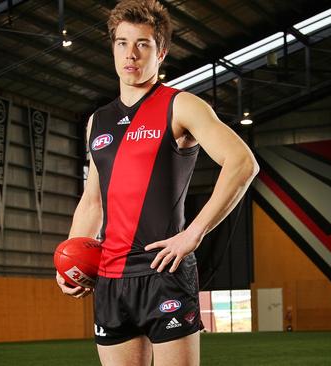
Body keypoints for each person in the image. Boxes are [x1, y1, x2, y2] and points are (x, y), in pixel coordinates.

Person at [55, 1, 259, 365]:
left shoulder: (181, 106)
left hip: (164, 272)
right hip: (110, 279)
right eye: (122, 43)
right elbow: (92, 202)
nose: (131, 54)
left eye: (143, 44)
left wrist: (194, 232)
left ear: (161, 51)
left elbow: (242, 163)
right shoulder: (97, 122)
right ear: (112, 48)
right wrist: (68, 262)